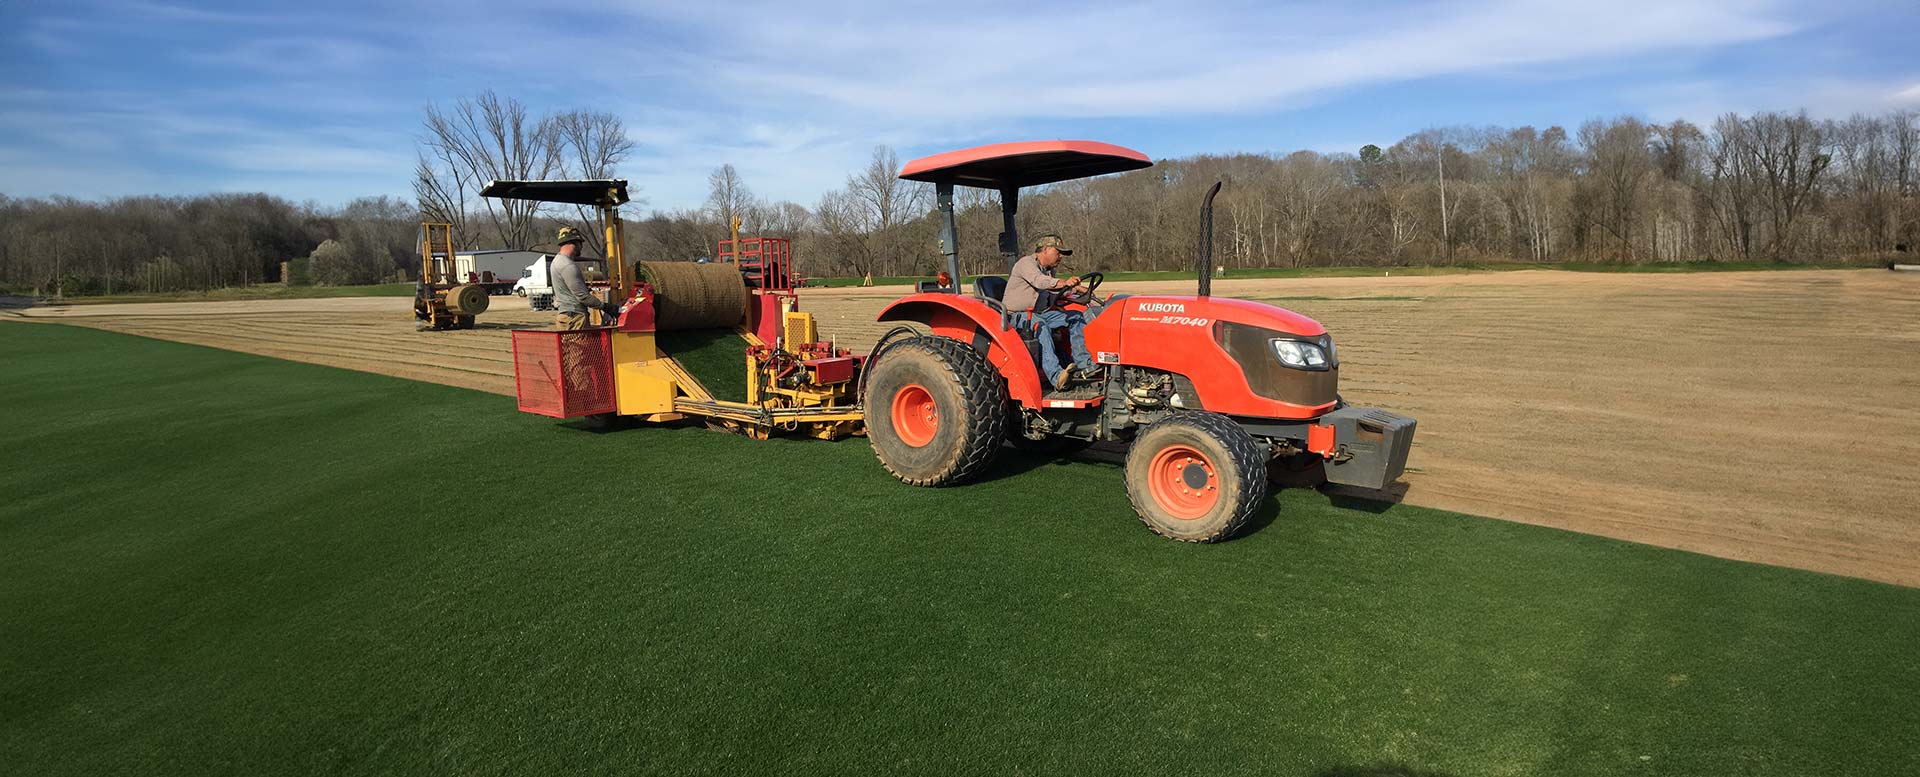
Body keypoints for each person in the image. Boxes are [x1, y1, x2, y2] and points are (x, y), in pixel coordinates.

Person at [1004, 234, 1099, 390]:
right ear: (1046, 249)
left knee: (1075, 316)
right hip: (1017, 315)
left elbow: (1052, 292)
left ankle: (1084, 364)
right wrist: (1065, 283)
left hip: (1040, 313)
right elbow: (1040, 282)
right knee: (1039, 325)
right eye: (1058, 252)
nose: (1060, 256)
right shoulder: (1026, 264)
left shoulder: (1048, 270)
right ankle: (1057, 377)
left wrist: (1076, 291)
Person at [549, 226, 619, 329]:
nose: (581, 247)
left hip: (566, 317)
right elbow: (583, 297)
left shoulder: (556, 261)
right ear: (574, 243)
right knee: (580, 345)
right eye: (580, 243)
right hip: (575, 318)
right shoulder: (568, 266)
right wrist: (605, 307)